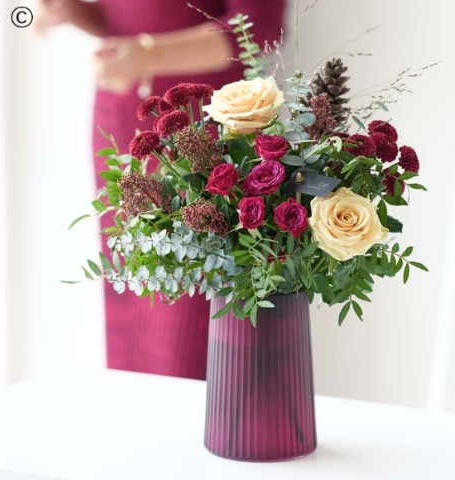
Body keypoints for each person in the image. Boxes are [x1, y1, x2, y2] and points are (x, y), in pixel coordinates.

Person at [35, 0, 285, 380]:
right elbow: (123, 15)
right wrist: (72, 11)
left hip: (204, 130)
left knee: (197, 313)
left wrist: (148, 54)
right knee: (136, 299)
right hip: (122, 125)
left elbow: (253, 29)